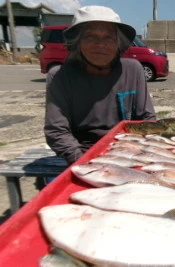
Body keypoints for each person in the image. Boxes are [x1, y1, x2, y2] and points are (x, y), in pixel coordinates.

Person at [44, 6, 156, 165]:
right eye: (90, 36)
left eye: (108, 37)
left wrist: (135, 153)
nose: (100, 45)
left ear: (118, 43)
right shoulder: (60, 76)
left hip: (130, 150)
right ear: (78, 42)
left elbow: (147, 119)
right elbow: (57, 131)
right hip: (83, 153)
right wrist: (85, 162)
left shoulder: (133, 69)